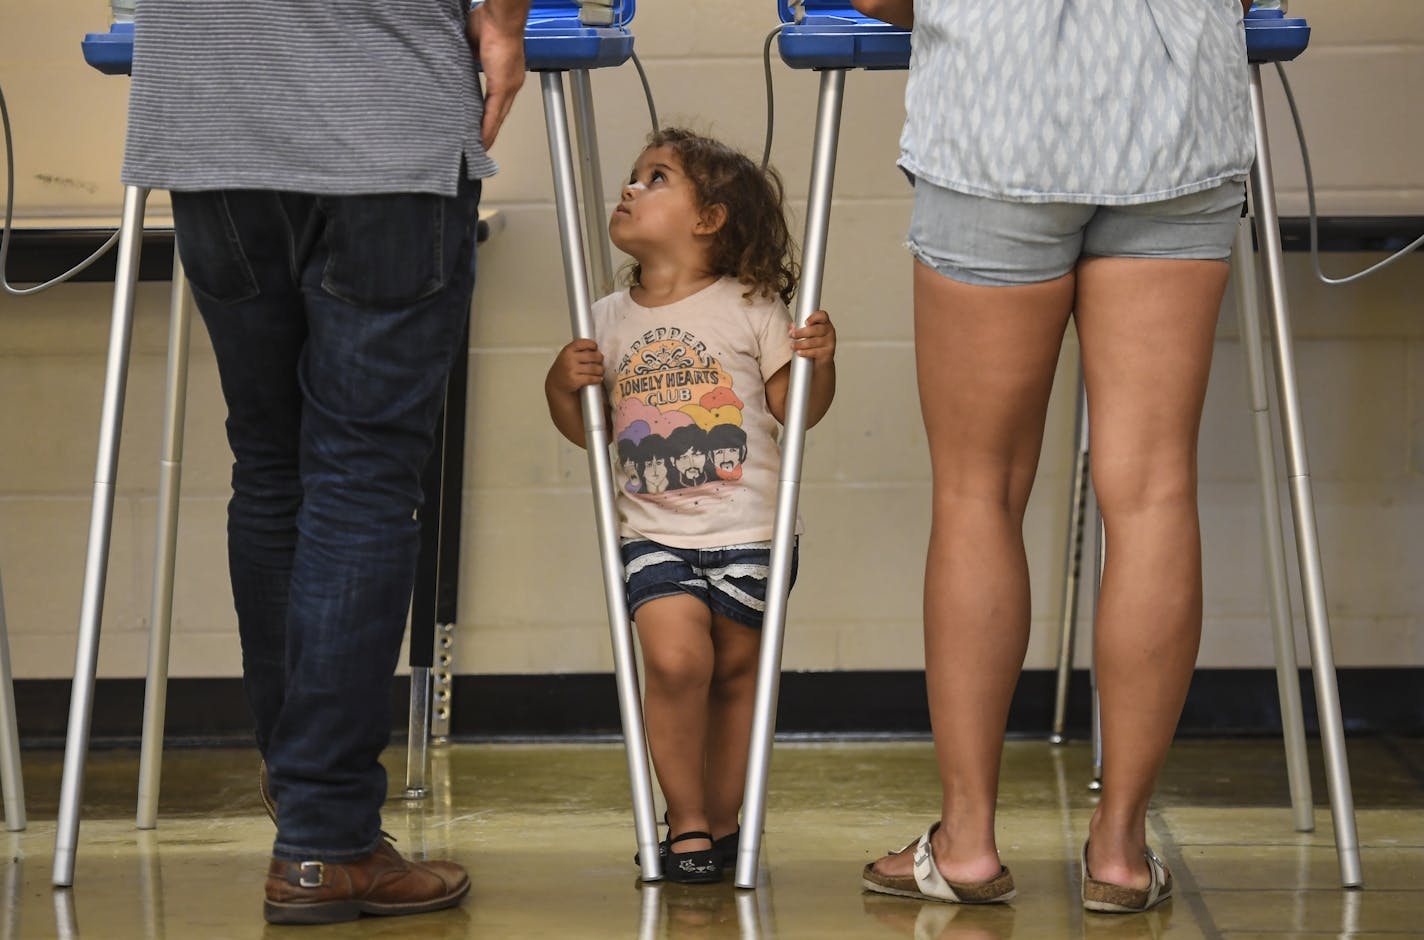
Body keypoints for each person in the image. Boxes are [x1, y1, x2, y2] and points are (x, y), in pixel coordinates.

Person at [121, 0, 530, 925]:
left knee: (271, 465)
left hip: (212, 110)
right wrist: (503, 23)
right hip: (381, 109)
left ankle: (303, 800)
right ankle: (324, 837)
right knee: (363, 479)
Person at [851, 0, 1257, 914]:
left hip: (999, 113)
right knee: (1152, 493)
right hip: (1176, 115)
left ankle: (964, 843)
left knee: (977, 491)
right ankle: (1118, 852)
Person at [545, 128, 837, 884]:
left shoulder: (751, 305)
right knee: (676, 663)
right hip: (653, 534)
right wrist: (559, 384)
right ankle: (686, 822)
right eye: (633, 175)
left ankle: (726, 817)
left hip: (750, 532)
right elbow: (587, 432)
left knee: (737, 676)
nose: (632, 187)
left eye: (657, 177)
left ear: (708, 219)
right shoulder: (607, 318)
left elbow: (794, 412)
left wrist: (818, 365)